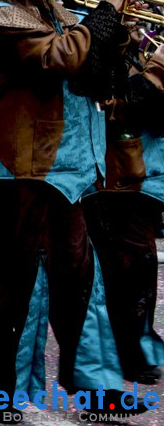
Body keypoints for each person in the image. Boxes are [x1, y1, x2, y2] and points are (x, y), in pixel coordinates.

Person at [0, 0, 132, 418]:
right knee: (13, 289)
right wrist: (105, 14)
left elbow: (91, 70)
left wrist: (119, 33)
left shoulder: (46, 8)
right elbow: (59, 58)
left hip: (67, 170)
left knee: (80, 283)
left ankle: (99, 389)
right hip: (19, 170)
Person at [81, 25, 164, 385]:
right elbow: (114, 101)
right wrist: (158, 70)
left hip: (146, 173)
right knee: (131, 263)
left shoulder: (141, 45)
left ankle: (135, 346)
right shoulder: (102, 42)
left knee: (134, 265)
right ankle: (129, 350)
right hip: (118, 175)